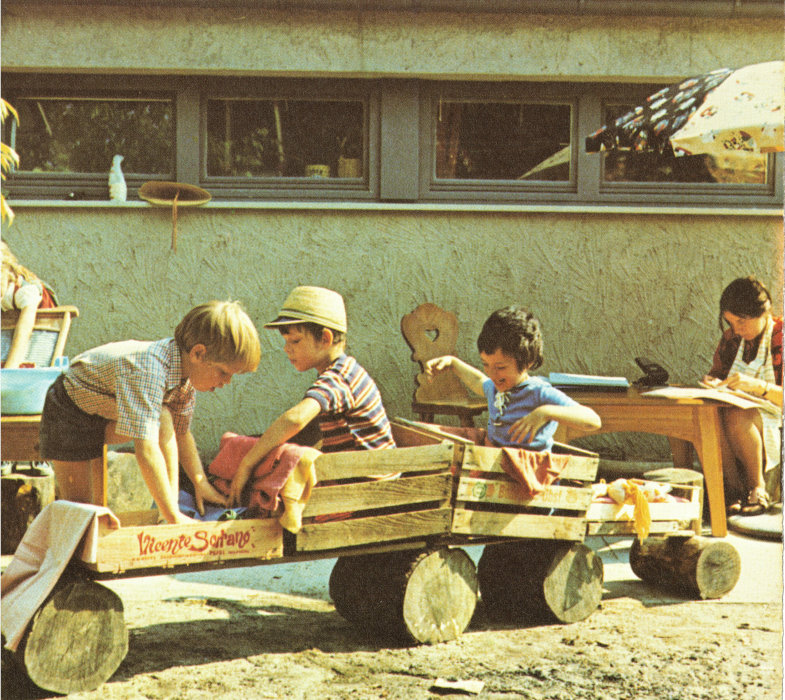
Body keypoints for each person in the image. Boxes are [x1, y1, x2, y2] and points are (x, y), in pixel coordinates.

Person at [39, 300, 261, 524]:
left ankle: (168, 513)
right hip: (68, 415)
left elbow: (182, 433)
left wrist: (200, 482)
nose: (226, 382)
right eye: (224, 372)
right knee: (83, 515)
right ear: (198, 353)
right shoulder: (149, 370)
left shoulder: (183, 380)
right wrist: (174, 515)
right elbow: (146, 448)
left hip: (104, 414)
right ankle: (170, 515)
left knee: (165, 417)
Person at [228, 285, 395, 506]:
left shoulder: (339, 378)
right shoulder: (338, 373)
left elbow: (295, 419)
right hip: (358, 477)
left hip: (368, 487)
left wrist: (247, 463)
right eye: (286, 342)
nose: (287, 349)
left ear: (325, 338)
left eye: (295, 341)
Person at [424, 306, 601, 451]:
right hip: (496, 467)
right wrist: (453, 363)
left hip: (526, 473)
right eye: (486, 365)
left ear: (527, 362)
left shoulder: (538, 392)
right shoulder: (495, 387)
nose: (492, 375)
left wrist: (545, 412)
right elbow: (478, 381)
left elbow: (593, 420)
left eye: (500, 367)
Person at [701, 276, 782, 516]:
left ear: (763, 312)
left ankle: (757, 486)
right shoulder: (732, 340)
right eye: (731, 322)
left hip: (774, 417)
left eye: (741, 322)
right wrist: (712, 382)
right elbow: (717, 374)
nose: (736, 329)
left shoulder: (781, 337)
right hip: (742, 416)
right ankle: (733, 490)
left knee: (736, 415)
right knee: (709, 413)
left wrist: (756, 387)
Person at [1, 241, 57, 368]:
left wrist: (8, 373)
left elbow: (24, 332)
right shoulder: (4, 290)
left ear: (8, 271)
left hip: (37, 339)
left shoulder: (26, 291)